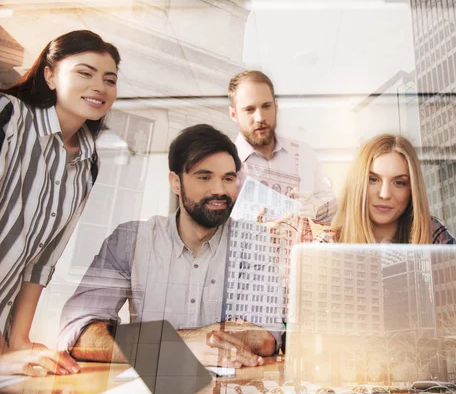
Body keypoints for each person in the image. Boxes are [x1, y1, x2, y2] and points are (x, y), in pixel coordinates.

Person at [58, 124, 278, 368]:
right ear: (175, 182)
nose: (219, 190)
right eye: (204, 177)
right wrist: (178, 345)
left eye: (228, 178)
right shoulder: (130, 240)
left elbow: (268, 336)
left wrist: (167, 342)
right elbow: (79, 334)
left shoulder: (254, 241)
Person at [0, 30, 120, 376]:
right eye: (85, 73)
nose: (99, 86)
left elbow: (41, 262)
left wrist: (19, 340)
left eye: (109, 79)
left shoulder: (87, 163)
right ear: (49, 75)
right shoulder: (9, 117)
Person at [228, 70, 336, 223]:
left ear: (276, 107)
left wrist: (316, 209)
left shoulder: (304, 153)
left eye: (266, 106)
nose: (260, 118)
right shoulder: (225, 162)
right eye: (249, 109)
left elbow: (332, 209)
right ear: (233, 114)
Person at [316, 134, 454, 244]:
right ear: (357, 184)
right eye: (373, 180)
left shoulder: (432, 233)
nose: (384, 194)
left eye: (399, 183)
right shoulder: (329, 244)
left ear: (412, 190)